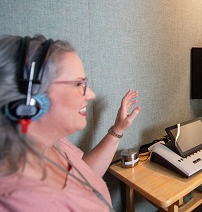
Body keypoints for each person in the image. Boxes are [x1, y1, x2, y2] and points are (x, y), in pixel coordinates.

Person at [0, 35, 141, 211]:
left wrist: (118, 129)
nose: (90, 94)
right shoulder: (20, 201)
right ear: (32, 100)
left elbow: (83, 178)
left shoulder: (54, 143)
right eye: (78, 84)